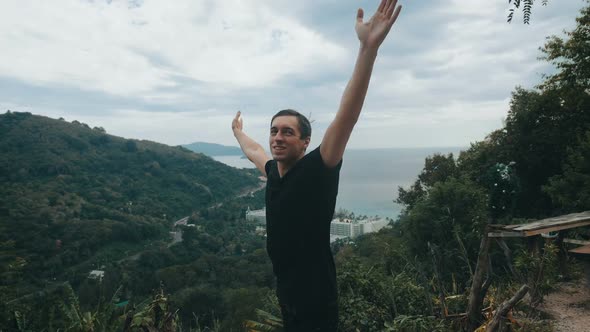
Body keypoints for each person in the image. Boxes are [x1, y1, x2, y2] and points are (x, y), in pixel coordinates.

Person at [232, 1, 402, 330]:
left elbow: (346, 116)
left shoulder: (317, 170)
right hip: (287, 292)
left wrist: (368, 49)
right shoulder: (273, 173)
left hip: (316, 300)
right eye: (274, 131)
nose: (277, 138)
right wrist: (238, 132)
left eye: (288, 132)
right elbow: (254, 150)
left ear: (305, 141)